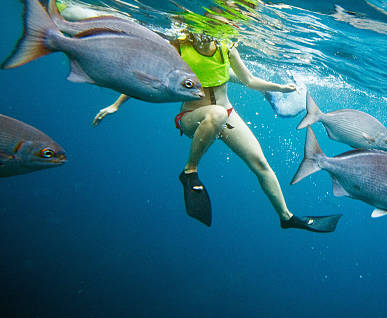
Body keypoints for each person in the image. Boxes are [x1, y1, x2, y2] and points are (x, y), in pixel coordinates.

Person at [94, 31, 341, 233]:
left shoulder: (226, 48)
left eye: (212, 31)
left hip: (226, 114)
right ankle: (189, 171)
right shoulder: (180, 47)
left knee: (260, 163)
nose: (204, 36)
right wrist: (116, 105)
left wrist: (280, 87)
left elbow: (250, 80)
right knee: (216, 114)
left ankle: (286, 217)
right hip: (192, 118)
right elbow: (148, 78)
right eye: (200, 30)